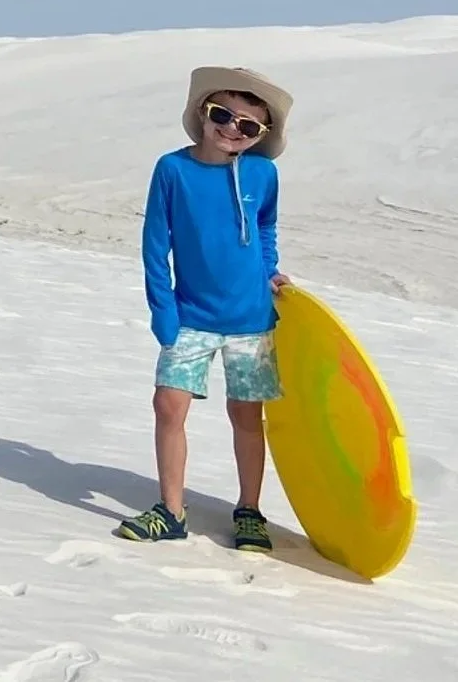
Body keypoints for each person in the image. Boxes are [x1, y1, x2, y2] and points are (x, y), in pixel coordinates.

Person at [115, 66, 294, 552]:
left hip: (253, 320)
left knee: (246, 415)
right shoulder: (172, 169)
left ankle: (250, 511)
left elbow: (265, 228)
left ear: (260, 135)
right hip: (190, 315)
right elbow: (156, 245)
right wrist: (163, 311)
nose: (232, 129)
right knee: (167, 405)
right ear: (203, 112)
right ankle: (171, 511)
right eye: (223, 115)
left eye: (248, 126)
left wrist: (269, 271)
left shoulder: (263, 173)